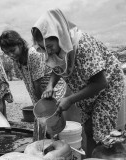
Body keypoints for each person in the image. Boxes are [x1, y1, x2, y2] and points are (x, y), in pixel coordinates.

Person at [31, 8, 124, 157]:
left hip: (108, 85)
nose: (47, 52)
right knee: (88, 127)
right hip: (89, 87)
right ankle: (90, 156)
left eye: (49, 46)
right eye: (43, 48)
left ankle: (103, 155)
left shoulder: (82, 46)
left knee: (99, 132)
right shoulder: (55, 50)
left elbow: (101, 83)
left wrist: (70, 99)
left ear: (59, 36)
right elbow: (57, 68)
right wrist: (50, 86)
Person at [0, 30, 66, 140]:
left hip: (51, 91)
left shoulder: (33, 54)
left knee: (52, 127)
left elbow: (37, 85)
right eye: (6, 53)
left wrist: (42, 110)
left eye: (12, 50)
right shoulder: (17, 59)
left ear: (20, 44)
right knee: (41, 131)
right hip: (39, 94)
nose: (10, 55)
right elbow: (29, 83)